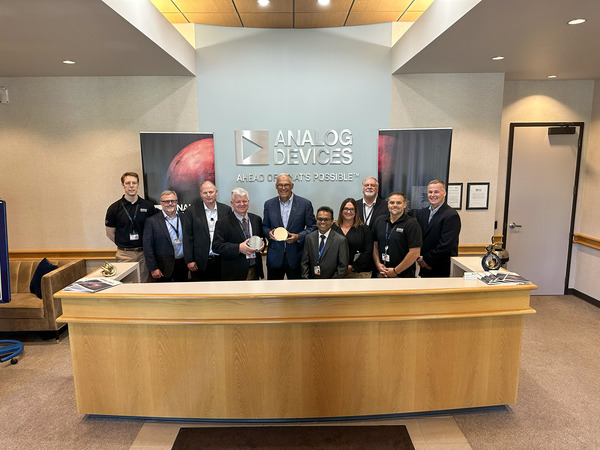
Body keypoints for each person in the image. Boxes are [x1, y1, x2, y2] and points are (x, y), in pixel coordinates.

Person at [105, 171, 157, 282]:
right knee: (126, 286)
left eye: (134, 183)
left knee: (143, 286)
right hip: (125, 255)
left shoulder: (148, 206)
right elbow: (110, 233)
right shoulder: (114, 208)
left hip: (144, 254)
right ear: (122, 185)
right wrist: (125, 244)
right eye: (128, 183)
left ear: (138, 184)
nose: (131, 186)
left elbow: (155, 230)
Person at [263, 173, 316, 280]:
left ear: (292, 186)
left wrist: (298, 236)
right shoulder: (269, 204)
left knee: (298, 294)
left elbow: (313, 227)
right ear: (276, 186)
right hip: (275, 258)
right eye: (280, 185)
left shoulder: (305, 204)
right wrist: (269, 233)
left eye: (286, 185)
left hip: (297, 257)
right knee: (273, 293)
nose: (283, 188)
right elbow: (265, 226)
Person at [182, 181, 232, 281]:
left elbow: (230, 234)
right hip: (200, 262)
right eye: (205, 193)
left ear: (216, 192)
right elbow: (187, 237)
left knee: (222, 292)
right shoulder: (191, 211)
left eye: (211, 192)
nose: (208, 195)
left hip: (222, 260)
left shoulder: (226, 210)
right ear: (200, 194)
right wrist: (189, 260)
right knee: (201, 293)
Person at [212, 188, 265, 281]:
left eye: (244, 201)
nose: (242, 204)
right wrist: (239, 248)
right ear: (232, 203)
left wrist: (262, 245)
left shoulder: (256, 219)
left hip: (254, 269)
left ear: (248, 201)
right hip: (234, 273)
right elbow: (216, 246)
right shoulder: (222, 223)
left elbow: (261, 239)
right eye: (238, 202)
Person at [416, 179, 461, 277]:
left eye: (436, 192)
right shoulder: (423, 213)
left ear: (444, 193)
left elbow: (446, 244)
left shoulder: (451, 215)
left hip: (441, 267)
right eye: (430, 192)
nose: (433, 195)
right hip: (424, 267)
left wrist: (426, 260)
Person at [372, 191, 422, 278]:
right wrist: (378, 264)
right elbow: (374, 245)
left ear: (405, 205)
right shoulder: (379, 221)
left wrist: (396, 271)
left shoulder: (412, 224)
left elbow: (415, 252)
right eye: (392, 202)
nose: (395, 205)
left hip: (403, 275)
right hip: (381, 272)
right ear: (388, 204)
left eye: (398, 203)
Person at [142, 190, 188, 282]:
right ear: (161, 203)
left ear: (177, 202)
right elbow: (148, 247)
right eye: (166, 201)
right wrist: (153, 268)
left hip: (183, 264)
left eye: (173, 201)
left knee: (183, 293)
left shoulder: (185, 218)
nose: (170, 203)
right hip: (162, 267)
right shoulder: (152, 221)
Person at [301, 206, 349, 279]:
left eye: (326, 219)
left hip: (332, 284)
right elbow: (304, 262)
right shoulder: (309, 238)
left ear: (332, 221)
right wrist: (306, 279)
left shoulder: (340, 240)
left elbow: (342, 266)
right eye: (320, 219)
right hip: (312, 282)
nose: (322, 222)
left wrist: (331, 283)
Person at [331, 198, 373, 278]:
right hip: (336, 272)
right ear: (341, 210)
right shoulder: (333, 227)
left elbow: (368, 252)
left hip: (359, 273)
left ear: (356, 211)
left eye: (352, 209)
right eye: (346, 209)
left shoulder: (364, 229)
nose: (349, 212)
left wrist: (352, 267)